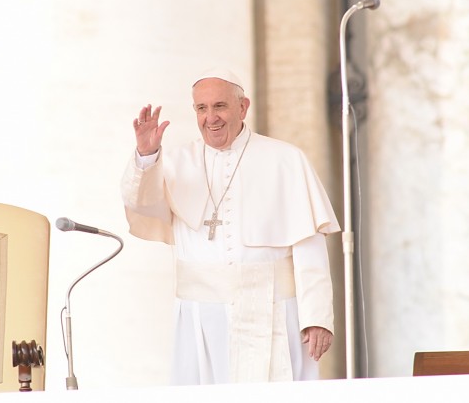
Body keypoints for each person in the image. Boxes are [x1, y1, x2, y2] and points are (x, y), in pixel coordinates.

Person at [120, 68, 340, 384]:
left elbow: (309, 246)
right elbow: (142, 206)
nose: (211, 117)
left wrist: (317, 316)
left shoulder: (285, 159)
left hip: (276, 309)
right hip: (202, 316)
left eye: (220, 106)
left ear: (243, 107)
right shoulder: (172, 161)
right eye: (201, 108)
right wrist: (145, 156)